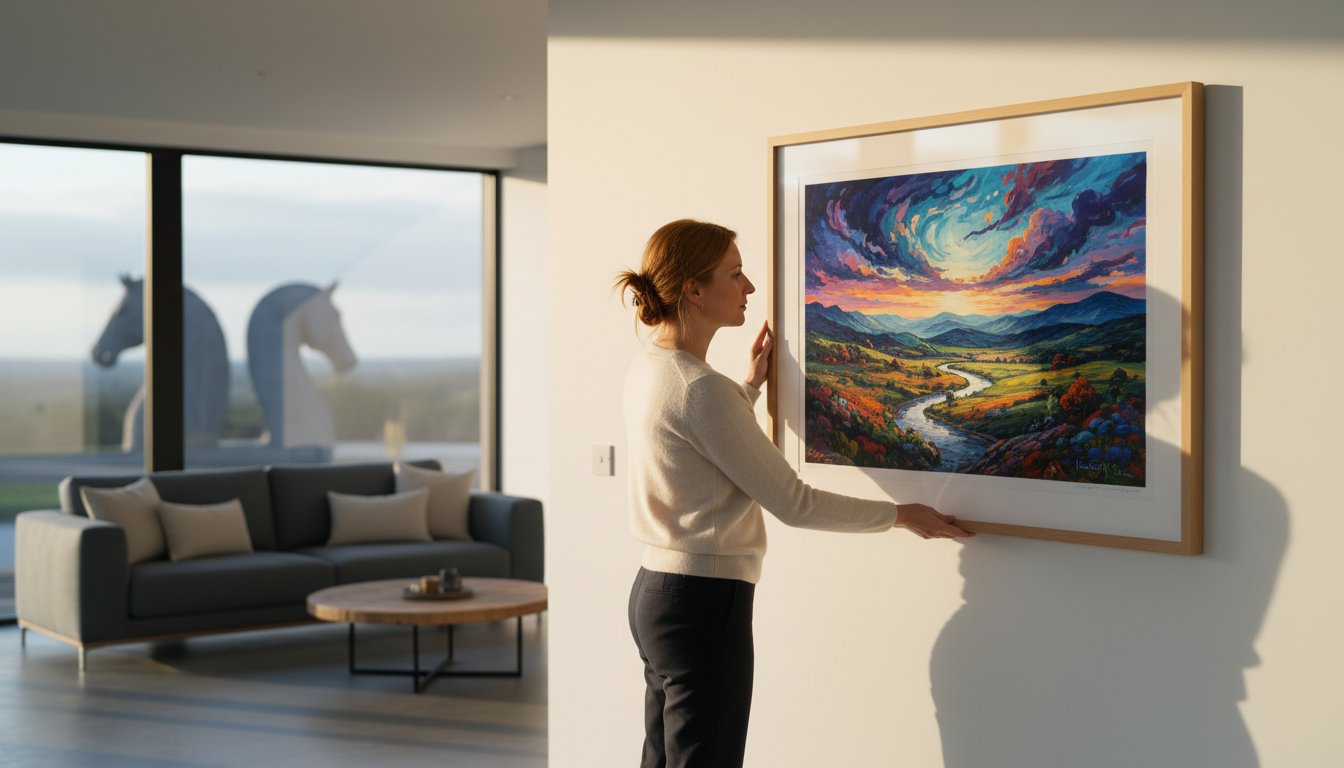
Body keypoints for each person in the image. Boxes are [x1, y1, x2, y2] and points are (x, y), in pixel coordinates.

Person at [615, 219, 973, 768]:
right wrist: (902, 515)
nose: (750, 287)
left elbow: (696, 435)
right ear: (693, 288)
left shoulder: (653, 369)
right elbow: (795, 503)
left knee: (663, 759)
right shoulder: (700, 389)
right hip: (703, 602)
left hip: (656, 594)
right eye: (734, 275)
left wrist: (749, 389)